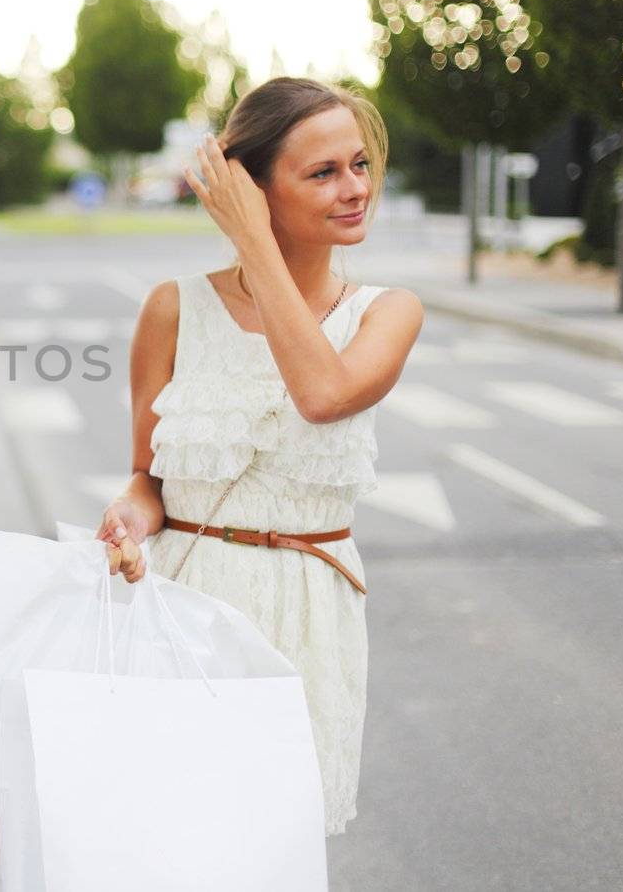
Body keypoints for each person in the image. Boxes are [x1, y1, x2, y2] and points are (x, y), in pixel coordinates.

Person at [95, 77, 423, 835]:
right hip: (186, 605)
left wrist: (253, 244)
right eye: (323, 171)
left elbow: (323, 390)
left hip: (308, 620)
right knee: (170, 845)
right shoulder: (173, 307)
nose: (354, 188)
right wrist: (129, 517)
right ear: (251, 188)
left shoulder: (387, 311)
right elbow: (150, 477)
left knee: (272, 849)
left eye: (359, 164)